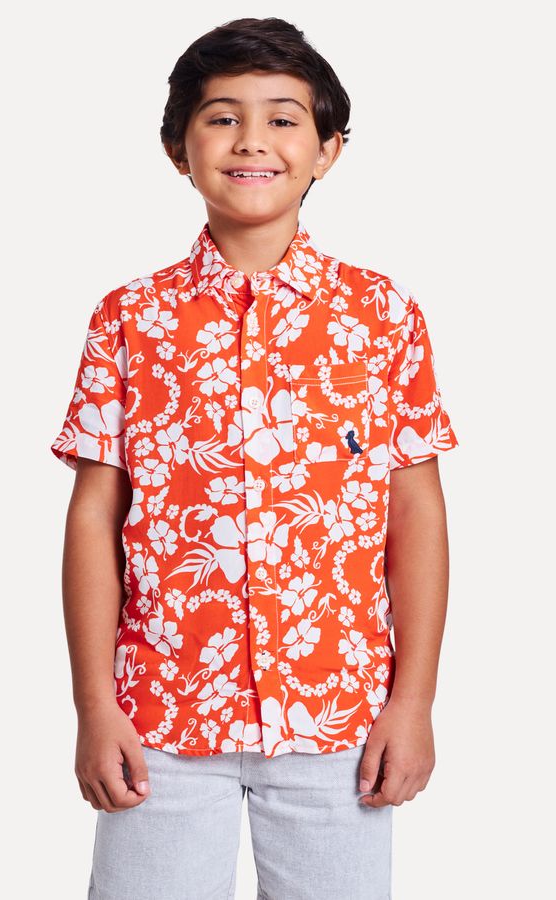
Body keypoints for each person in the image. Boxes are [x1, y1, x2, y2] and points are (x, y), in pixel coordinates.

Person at [50, 16, 459, 900]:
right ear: (178, 148)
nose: (251, 141)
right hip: (158, 716)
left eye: (282, 118)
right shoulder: (129, 319)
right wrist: (94, 706)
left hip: (339, 721)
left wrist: (414, 702)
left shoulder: (382, 316)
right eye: (222, 117)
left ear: (328, 150)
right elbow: (94, 518)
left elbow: (415, 511)